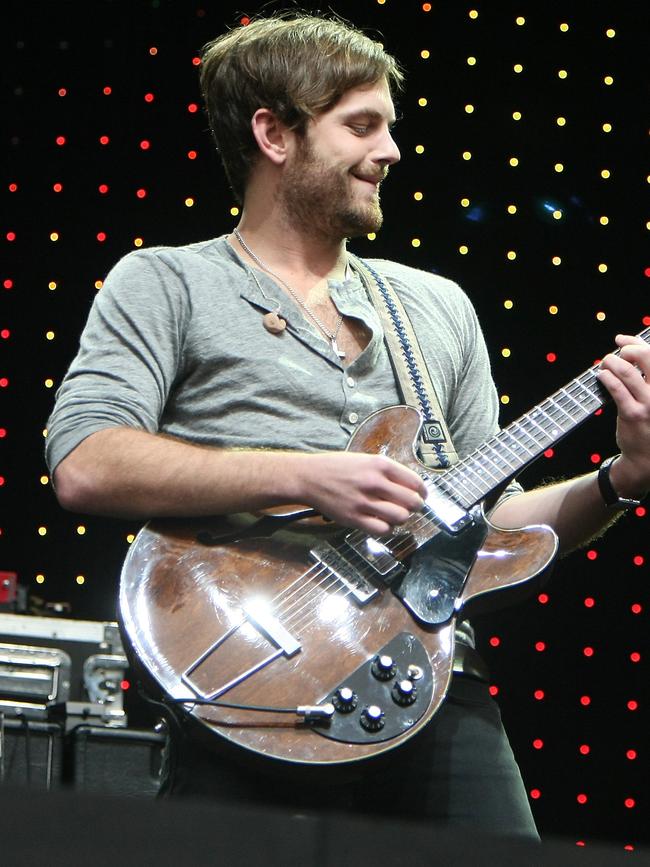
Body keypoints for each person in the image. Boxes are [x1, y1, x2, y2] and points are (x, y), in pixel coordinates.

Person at [45, 13, 649, 840]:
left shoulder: (435, 306)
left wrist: (621, 479)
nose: (391, 151)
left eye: (390, 128)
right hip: (249, 675)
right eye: (361, 125)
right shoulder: (165, 282)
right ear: (274, 135)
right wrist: (304, 474)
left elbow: (487, 528)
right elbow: (85, 461)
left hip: (434, 690)